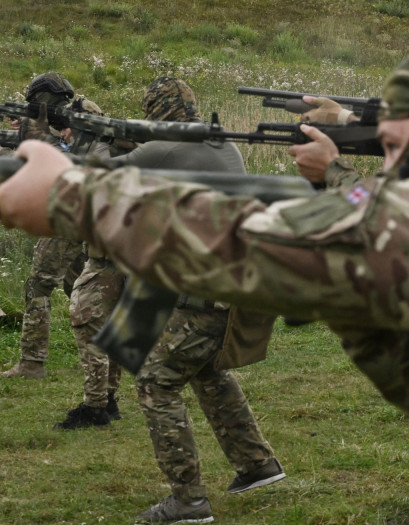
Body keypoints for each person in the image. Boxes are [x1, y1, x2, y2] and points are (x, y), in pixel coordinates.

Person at [0, 19, 409, 525]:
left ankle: (203, 489)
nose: (398, 166)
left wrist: (73, 195)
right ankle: (253, 464)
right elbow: (398, 325)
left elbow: (260, 247)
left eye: (403, 146)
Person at [113, 77, 284, 524]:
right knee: (207, 368)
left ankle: (188, 501)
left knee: (156, 382)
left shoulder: (165, 148)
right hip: (235, 286)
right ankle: (256, 463)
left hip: (204, 296)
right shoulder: (222, 143)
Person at [0, 72, 107, 380]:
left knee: (40, 283)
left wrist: (34, 135)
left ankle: (32, 363)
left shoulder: (82, 116)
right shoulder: (69, 120)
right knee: (79, 285)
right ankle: (117, 348)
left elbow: (67, 159)